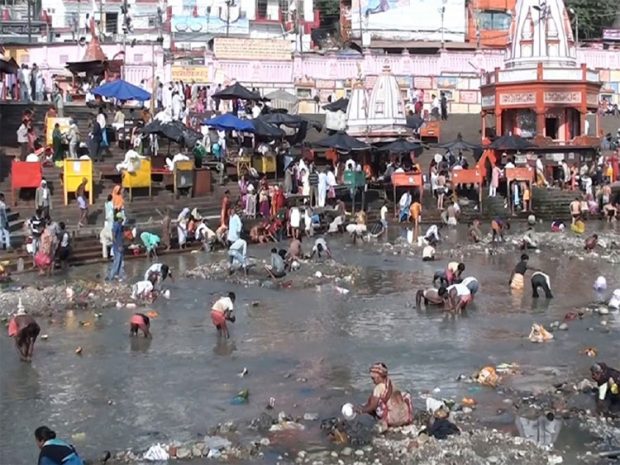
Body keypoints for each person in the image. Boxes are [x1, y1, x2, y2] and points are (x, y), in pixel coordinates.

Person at [355, 362, 413, 431]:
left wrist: (361, 410)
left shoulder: (379, 388)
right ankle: (408, 421)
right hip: (404, 418)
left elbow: (372, 407)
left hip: (393, 420)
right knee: (404, 395)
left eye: (373, 378)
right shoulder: (391, 383)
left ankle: (383, 424)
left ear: (379, 376)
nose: (373, 381)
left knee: (373, 402)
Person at [106, 213, 125, 281]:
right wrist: (118, 245)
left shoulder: (120, 225)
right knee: (116, 262)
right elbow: (113, 236)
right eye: (121, 219)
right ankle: (111, 277)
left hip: (120, 246)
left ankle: (117, 276)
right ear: (119, 219)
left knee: (120, 262)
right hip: (117, 247)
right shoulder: (116, 225)